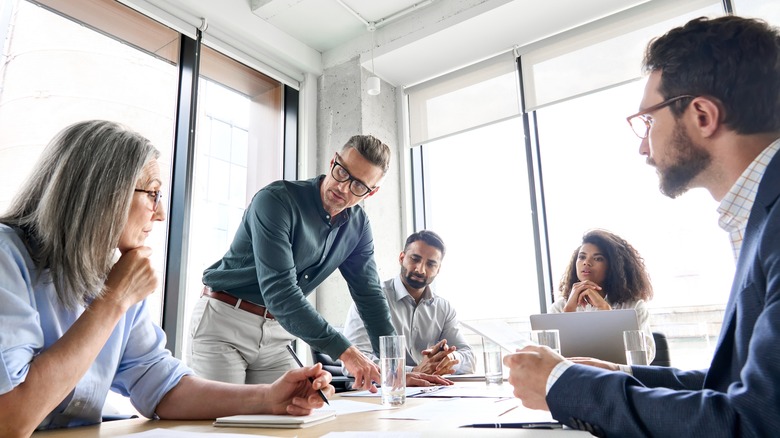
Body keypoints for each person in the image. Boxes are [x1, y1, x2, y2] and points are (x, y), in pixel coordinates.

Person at [503, 15, 780, 436]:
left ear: (702, 114)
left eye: (648, 121)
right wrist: (615, 373)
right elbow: (735, 389)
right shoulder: (759, 216)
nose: (642, 146)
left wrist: (564, 385)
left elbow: (756, 423)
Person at [0, 120, 334, 437]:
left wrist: (268, 398)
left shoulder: (114, 275)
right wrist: (113, 301)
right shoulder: (7, 257)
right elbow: (10, 419)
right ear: (103, 194)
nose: (160, 214)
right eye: (153, 194)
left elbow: (160, 384)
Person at [189, 134, 448, 390]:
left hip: (276, 335)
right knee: (223, 424)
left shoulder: (358, 226)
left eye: (359, 185)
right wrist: (347, 352)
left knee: (297, 420)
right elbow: (281, 292)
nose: (343, 188)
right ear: (333, 161)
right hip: (225, 322)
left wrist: (396, 370)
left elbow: (369, 296)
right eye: (342, 172)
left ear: (371, 192)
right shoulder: (276, 201)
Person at [343, 230, 476, 380]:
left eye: (431, 264)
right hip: (380, 393)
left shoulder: (443, 308)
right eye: (415, 259)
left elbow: (469, 359)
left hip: (429, 392)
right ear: (401, 258)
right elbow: (354, 362)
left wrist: (449, 359)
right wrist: (413, 371)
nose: (420, 269)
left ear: (438, 269)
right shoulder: (370, 298)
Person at [553, 229, 655, 361]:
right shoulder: (560, 307)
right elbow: (549, 362)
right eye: (582, 257)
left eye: (598, 258)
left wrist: (607, 313)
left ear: (613, 267)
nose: (586, 263)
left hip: (616, 379)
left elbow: (643, 359)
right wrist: (567, 314)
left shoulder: (634, 307)